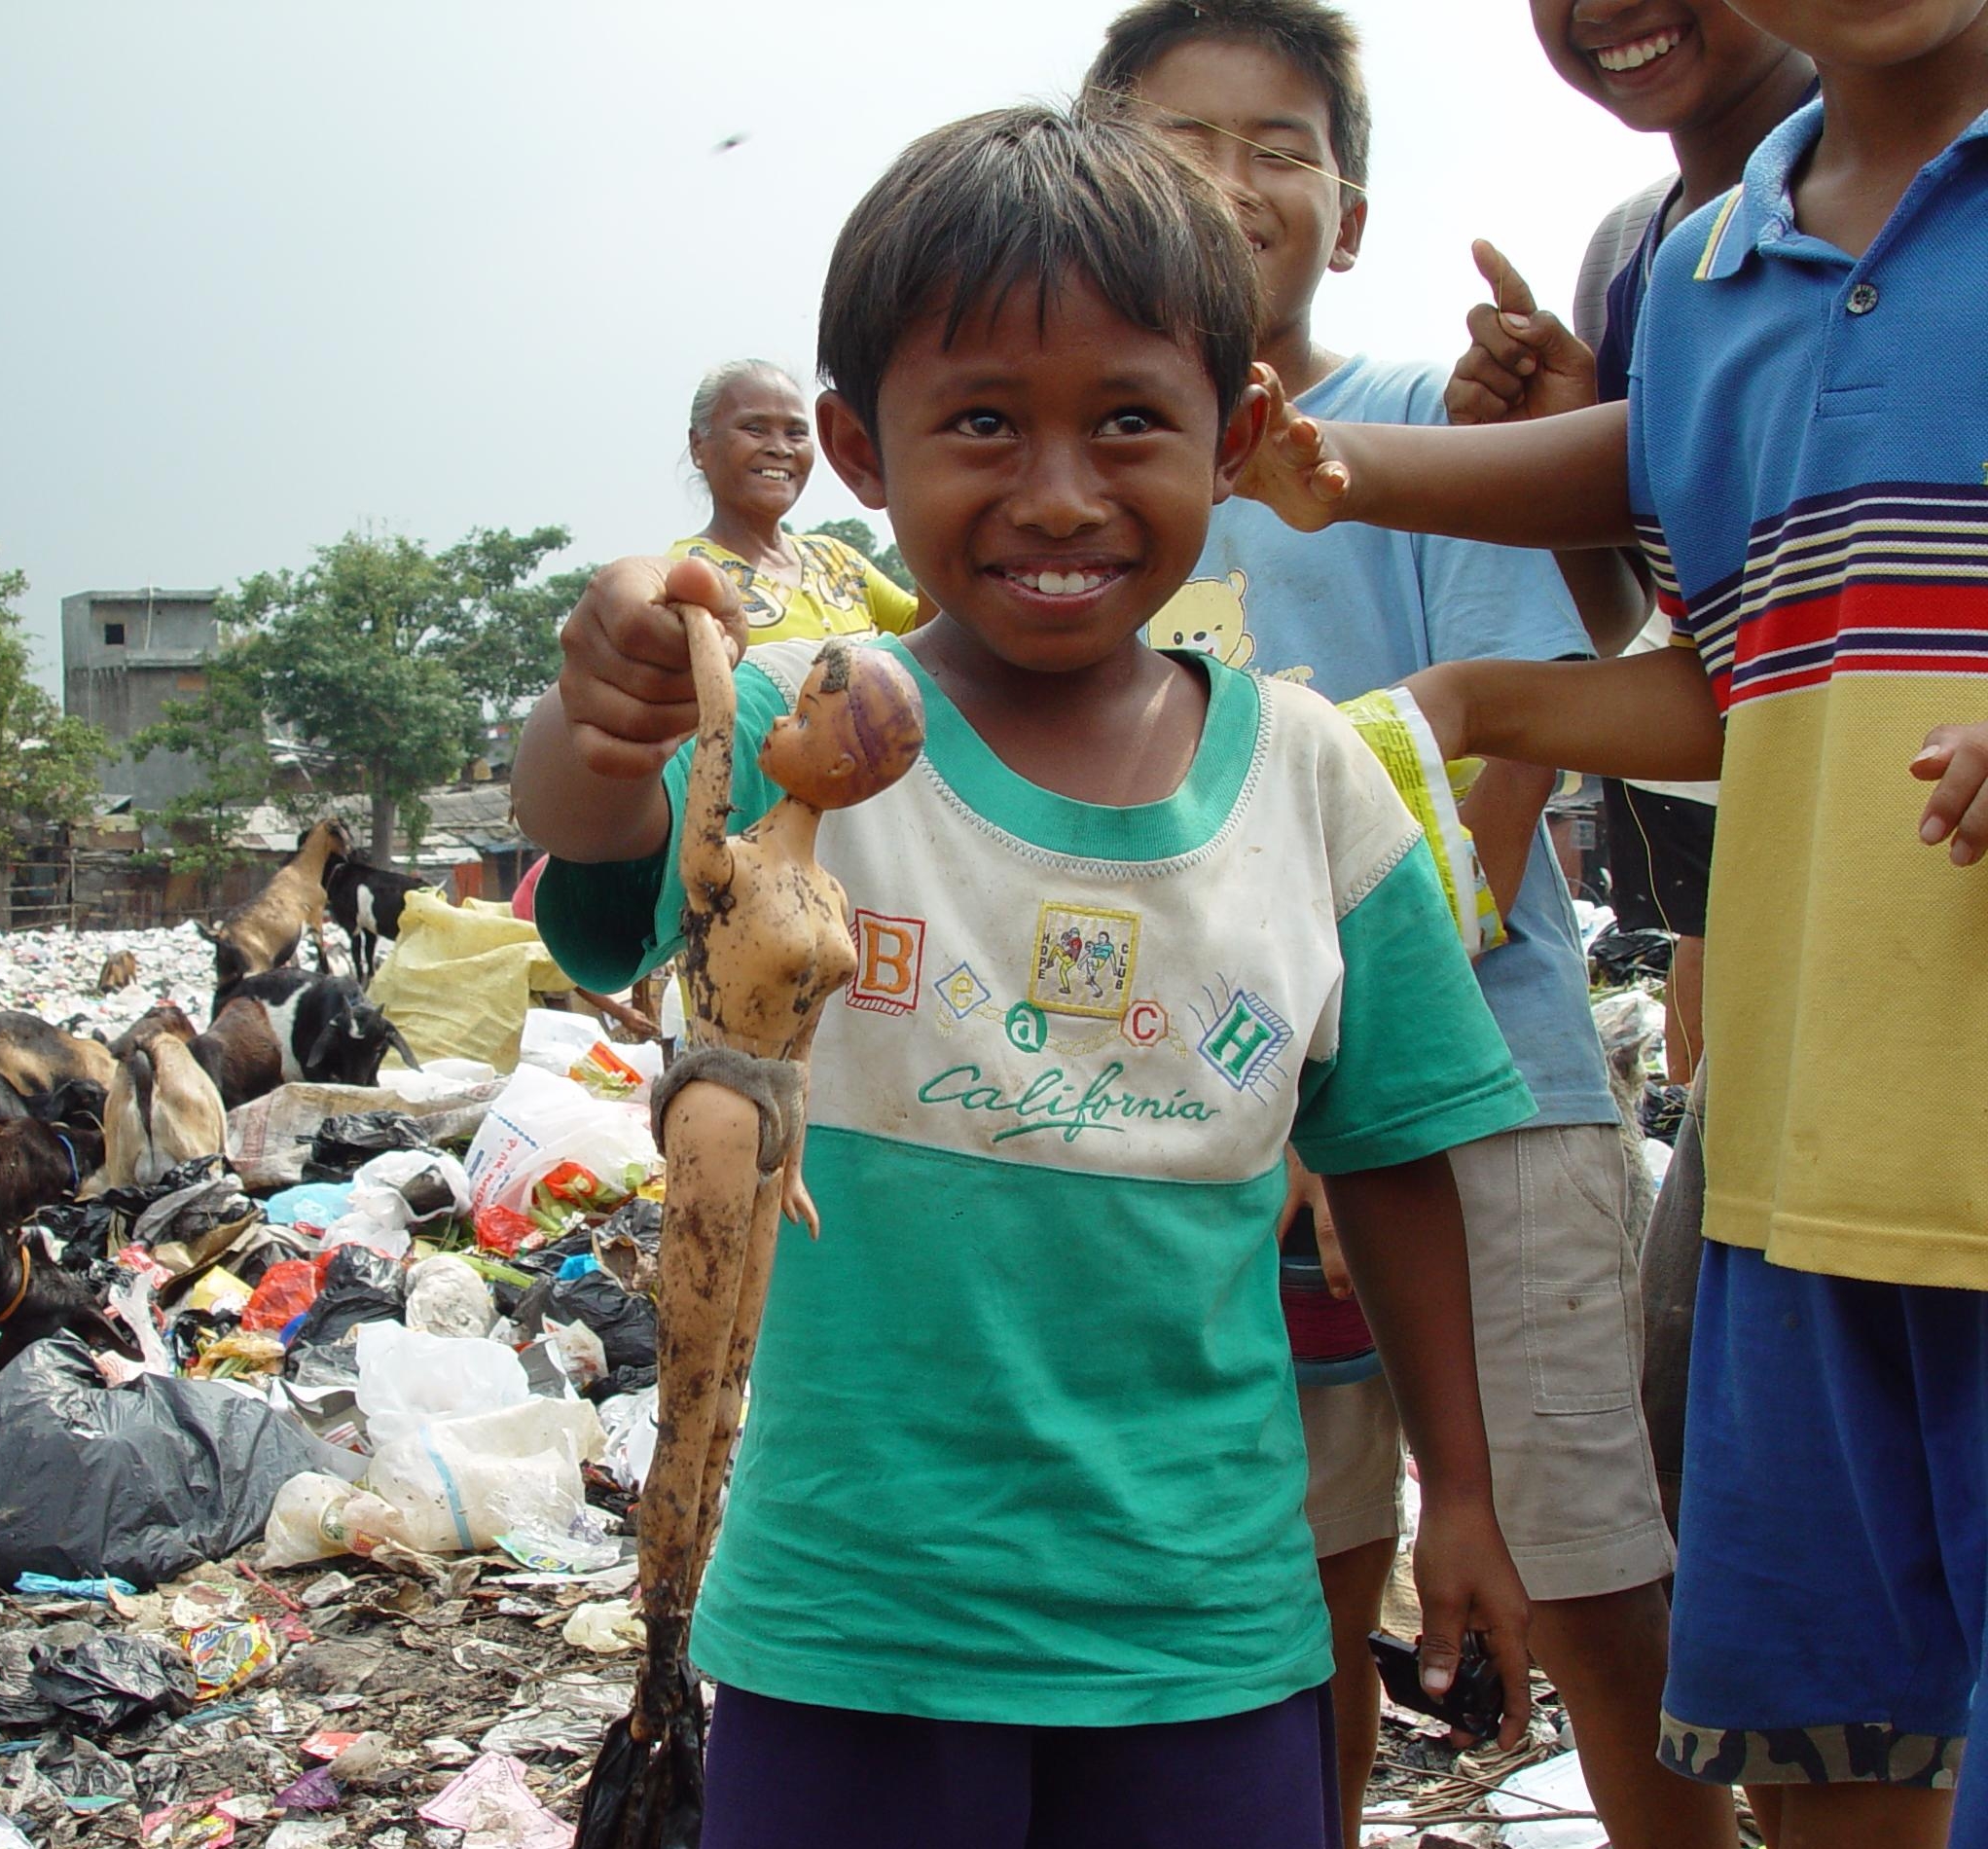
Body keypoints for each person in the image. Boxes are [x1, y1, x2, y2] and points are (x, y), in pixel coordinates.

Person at [517, 103, 1538, 1849]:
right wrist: (599, 706)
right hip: (850, 1632)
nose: (1058, 491)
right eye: (981, 421)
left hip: (1206, 1639)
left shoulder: (1313, 783)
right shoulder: (796, 730)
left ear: (1240, 435)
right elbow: (604, 858)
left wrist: (1469, 1499)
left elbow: (1400, 1166)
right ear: (859, 444)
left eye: (1131, 421)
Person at [1234, 4, 1988, 1840]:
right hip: (1799, 1173)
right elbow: (1738, 678)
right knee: (1836, 1752)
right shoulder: (1719, 271)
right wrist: (1473, 675)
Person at [1082, 9, 1719, 1845]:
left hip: (1474, 1098)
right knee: (1287, 1610)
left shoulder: (1423, 435)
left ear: (1349, 215)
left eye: (1279, 145)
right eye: (1177, 140)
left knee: (1586, 1595)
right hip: (1158, 1125)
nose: (1229, 181)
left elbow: (1499, 765)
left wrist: (1323, 1076)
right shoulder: (1080, 474)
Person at [1446, 5, 1818, 1093]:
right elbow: (1658, 627)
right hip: (1755, 859)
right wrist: (1551, 451)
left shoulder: (1914, 181)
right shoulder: (1631, 255)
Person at [671, 359, 925, 646]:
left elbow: (935, 635)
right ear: (698, 446)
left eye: (795, 433)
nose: (780, 449)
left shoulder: (839, 563)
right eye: (755, 428)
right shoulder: (685, 573)